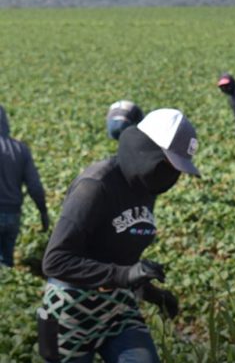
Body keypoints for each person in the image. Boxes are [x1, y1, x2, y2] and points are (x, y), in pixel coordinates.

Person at [39, 108, 200, 362]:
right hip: (70, 310)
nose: (172, 176)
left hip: (118, 309)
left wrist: (154, 294)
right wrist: (125, 275)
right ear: (146, 150)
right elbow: (55, 261)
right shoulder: (96, 186)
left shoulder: (146, 187)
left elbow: (117, 256)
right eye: (168, 164)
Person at [0, 105, 49, 267]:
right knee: (6, 261)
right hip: (13, 214)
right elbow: (34, 186)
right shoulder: (20, 149)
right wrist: (43, 211)